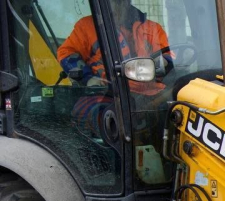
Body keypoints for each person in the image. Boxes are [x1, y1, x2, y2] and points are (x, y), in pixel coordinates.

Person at [57, 0, 172, 136]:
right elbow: (66, 54)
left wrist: (161, 63)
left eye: (119, 2)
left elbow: (168, 57)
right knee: (98, 116)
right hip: (108, 92)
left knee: (177, 111)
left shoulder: (152, 28)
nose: (116, 6)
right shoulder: (87, 27)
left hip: (150, 93)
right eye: (112, 2)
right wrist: (88, 79)